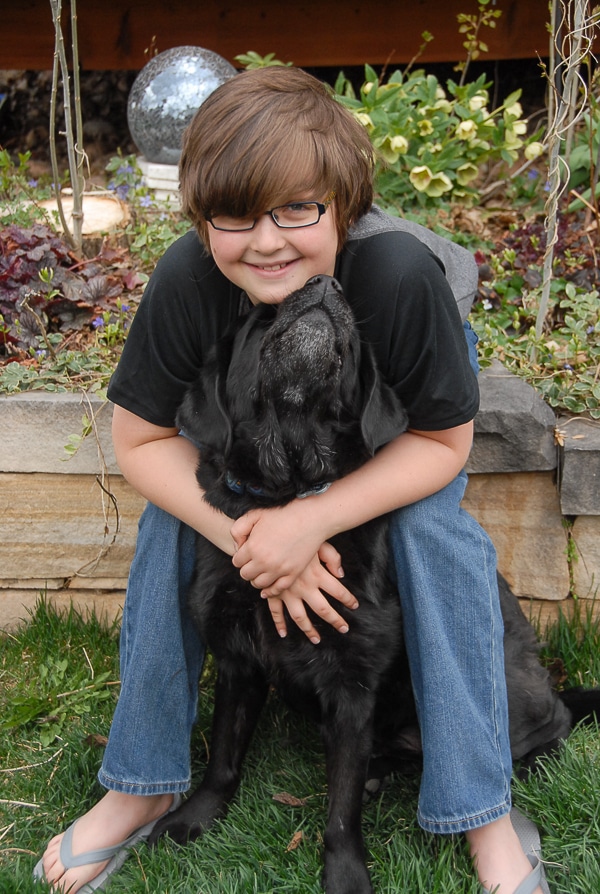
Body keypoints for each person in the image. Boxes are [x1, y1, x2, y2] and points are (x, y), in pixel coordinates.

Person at [35, 67, 547, 894]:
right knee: (173, 518)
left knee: (427, 533)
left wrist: (313, 519)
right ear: (201, 221)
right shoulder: (190, 281)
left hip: (395, 425)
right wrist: (254, 534)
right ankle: (143, 779)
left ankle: (480, 804)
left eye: (296, 210)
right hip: (259, 441)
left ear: (342, 205)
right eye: (233, 217)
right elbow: (141, 442)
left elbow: (443, 446)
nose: (266, 241)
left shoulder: (398, 280)